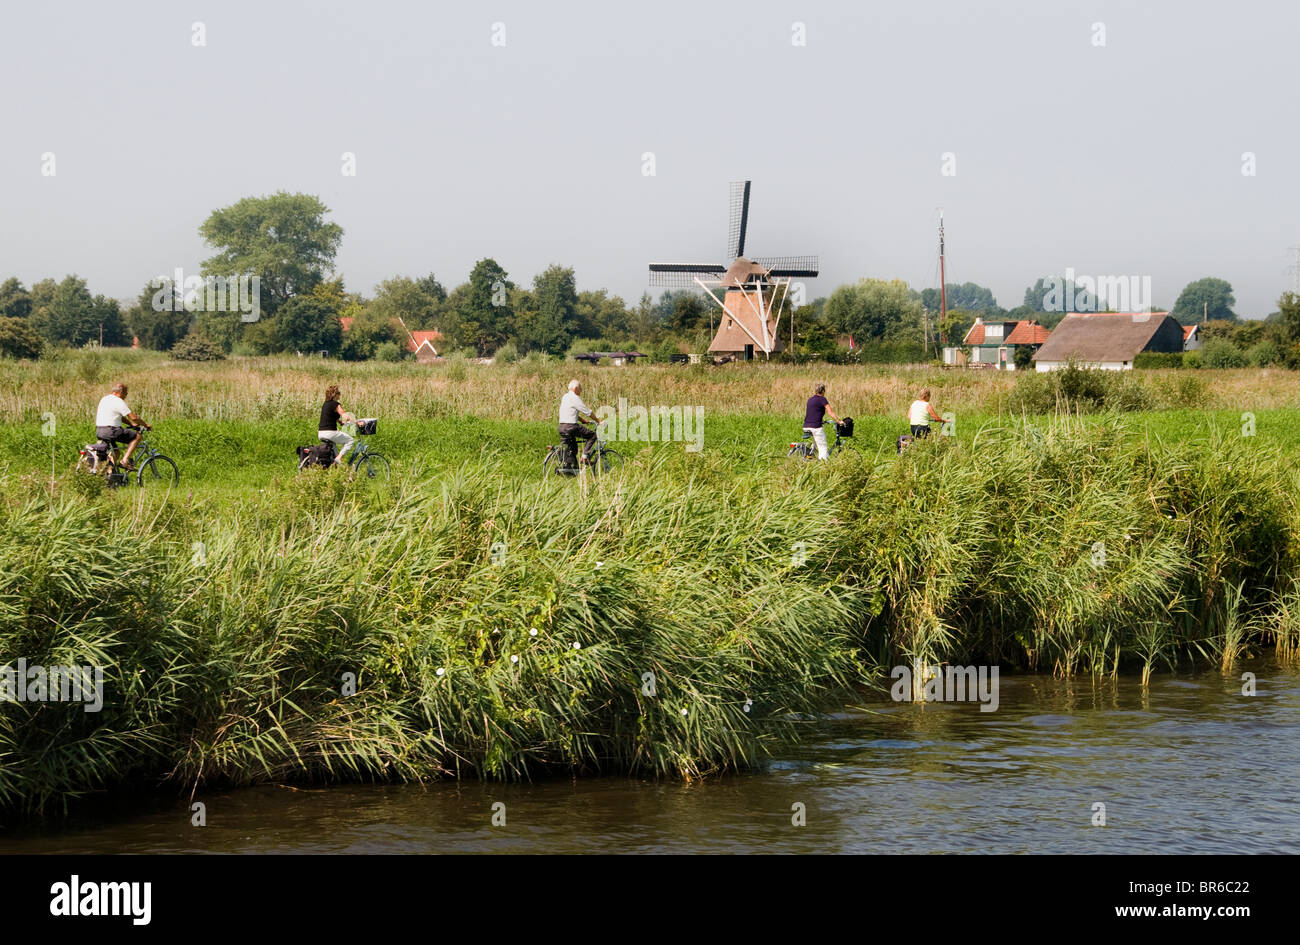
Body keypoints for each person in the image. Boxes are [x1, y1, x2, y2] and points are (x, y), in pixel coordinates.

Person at [95, 383, 149, 470]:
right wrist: (145, 425)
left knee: (116, 452)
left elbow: (120, 416)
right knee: (138, 437)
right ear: (121, 392)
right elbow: (134, 417)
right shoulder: (118, 401)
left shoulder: (104, 399)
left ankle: (109, 474)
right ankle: (125, 461)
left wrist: (131, 424)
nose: (126, 396)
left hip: (100, 431)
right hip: (111, 431)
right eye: (126, 394)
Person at [558, 379, 598, 466]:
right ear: (575, 388)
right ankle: (584, 457)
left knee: (573, 448)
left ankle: (570, 469)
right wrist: (598, 421)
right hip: (571, 427)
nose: (581, 391)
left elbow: (570, 412)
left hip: (562, 427)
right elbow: (587, 412)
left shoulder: (565, 397)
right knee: (593, 435)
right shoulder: (575, 398)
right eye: (580, 388)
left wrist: (583, 421)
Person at [318, 384, 357, 466]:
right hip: (330, 433)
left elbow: (329, 416)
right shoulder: (335, 404)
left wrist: (340, 422)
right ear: (335, 394)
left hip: (321, 433)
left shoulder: (326, 404)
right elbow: (344, 415)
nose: (340, 394)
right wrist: (358, 422)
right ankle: (339, 457)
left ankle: (336, 467)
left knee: (335, 457)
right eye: (339, 393)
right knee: (350, 440)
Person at [803, 383, 843, 460]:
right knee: (823, 447)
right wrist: (838, 421)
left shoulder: (810, 399)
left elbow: (813, 412)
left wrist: (822, 421)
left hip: (806, 425)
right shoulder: (822, 399)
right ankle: (823, 465)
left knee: (816, 443)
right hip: (815, 427)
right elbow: (830, 411)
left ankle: (810, 457)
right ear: (823, 391)